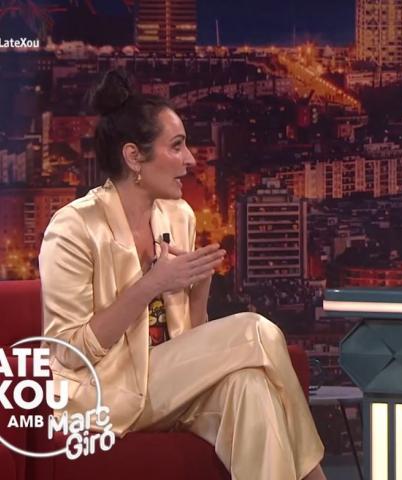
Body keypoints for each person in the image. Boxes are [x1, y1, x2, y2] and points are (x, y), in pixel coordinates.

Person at [39, 69, 326, 480]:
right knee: (257, 331)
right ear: (134, 157)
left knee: (251, 388)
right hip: (102, 393)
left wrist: (198, 287)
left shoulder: (179, 215)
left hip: (168, 386)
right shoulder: (74, 228)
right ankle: (315, 475)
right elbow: (68, 353)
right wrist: (152, 284)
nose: (191, 159)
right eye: (176, 146)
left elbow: (188, 340)